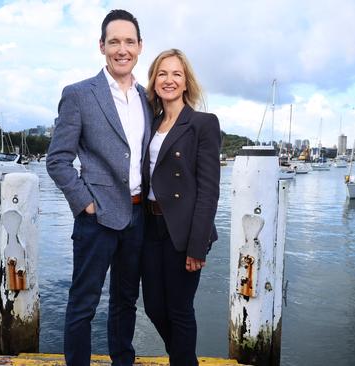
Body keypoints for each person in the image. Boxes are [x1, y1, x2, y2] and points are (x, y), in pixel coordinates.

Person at [46, 9, 152, 366]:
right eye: (114, 41)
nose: (122, 49)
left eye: (129, 41)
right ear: (101, 46)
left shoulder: (147, 98)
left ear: (139, 46)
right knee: (83, 302)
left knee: (125, 302)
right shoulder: (78, 94)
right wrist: (86, 204)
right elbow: (57, 159)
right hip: (96, 220)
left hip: (138, 217)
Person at [141, 49, 221, 365]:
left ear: (186, 82)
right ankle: (185, 359)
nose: (169, 80)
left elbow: (208, 191)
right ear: (154, 80)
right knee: (153, 308)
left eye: (176, 74)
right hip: (149, 226)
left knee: (179, 310)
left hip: (184, 230)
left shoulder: (202, 123)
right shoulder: (151, 122)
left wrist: (197, 247)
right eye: (162, 73)